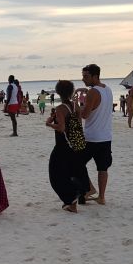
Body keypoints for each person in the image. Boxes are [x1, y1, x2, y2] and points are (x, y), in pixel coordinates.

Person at [45, 80, 90, 212]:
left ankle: (70, 200)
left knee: (55, 174)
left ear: (58, 92)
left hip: (62, 145)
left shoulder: (60, 108)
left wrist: (49, 124)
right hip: (76, 144)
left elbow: (61, 128)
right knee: (71, 172)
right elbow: (78, 122)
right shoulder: (75, 105)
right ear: (71, 91)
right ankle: (72, 203)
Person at [78, 63, 113, 205]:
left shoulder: (93, 92)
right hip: (105, 136)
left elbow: (85, 115)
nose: (83, 79)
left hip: (92, 137)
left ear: (95, 76)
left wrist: (76, 107)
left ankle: (89, 189)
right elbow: (98, 104)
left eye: (86, 76)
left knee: (77, 163)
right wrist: (85, 92)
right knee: (102, 168)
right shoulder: (108, 89)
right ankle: (102, 197)